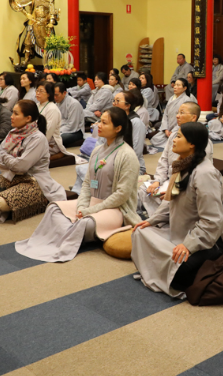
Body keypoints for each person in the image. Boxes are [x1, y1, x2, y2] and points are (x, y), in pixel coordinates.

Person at [132, 122, 223, 297]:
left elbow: (213, 220)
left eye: (178, 136)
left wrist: (188, 245)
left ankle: (165, 268)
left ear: (192, 143)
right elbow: (170, 202)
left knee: (179, 272)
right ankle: (161, 266)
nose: (173, 140)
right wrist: (152, 221)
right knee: (140, 232)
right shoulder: (181, 165)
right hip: (178, 231)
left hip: (204, 239)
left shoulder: (204, 173)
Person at [16, 107, 142, 262]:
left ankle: (67, 233)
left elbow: (122, 195)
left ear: (118, 128)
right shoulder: (97, 150)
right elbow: (88, 182)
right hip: (91, 203)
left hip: (115, 210)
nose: (98, 125)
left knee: (86, 222)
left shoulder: (127, 155)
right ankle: (65, 233)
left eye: (104, 123)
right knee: (54, 208)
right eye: (100, 121)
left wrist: (90, 211)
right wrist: (82, 206)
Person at [0, 100, 67, 223]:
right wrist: (11, 161)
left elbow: (20, 166)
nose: (11, 116)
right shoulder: (13, 133)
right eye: (12, 112)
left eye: (16, 114)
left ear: (28, 118)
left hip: (34, 181)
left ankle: (39, 200)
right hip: (12, 176)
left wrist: (7, 157)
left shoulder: (38, 138)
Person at [138, 101, 213, 217]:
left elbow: (196, 175)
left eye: (182, 113)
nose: (177, 116)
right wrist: (158, 181)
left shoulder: (202, 140)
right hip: (169, 180)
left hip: (186, 185)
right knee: (144, 189)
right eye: (177, 113)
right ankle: (156, 213)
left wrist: (173, 191)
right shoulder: (173, 136)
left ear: (193, 117)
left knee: (170, 200)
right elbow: (163, 160)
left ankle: (159, 216)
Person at [150, 78, 190, 148]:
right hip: (168, 128)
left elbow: (185, 119)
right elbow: (165, 115)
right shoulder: (171, 98)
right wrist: (166, 129)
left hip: (179, 128)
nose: (175, 87)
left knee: (176, 140)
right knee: (155, 139)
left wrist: (174, 130)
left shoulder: (186, 100)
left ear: (184, 88)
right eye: (175, 85)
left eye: (178, 85)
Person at [113, 90, 146, 174]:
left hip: (131, 164)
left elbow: (136, 151)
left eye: (117, 101)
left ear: (127, 105)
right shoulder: (114, 120)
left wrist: (117, 163)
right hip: (112, 160)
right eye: (114, 101)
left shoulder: (136, 122)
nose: (114, 104)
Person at [36, 82, 69, 159]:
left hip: (50, 143)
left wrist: (36, 145)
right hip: (37, 138)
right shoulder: (37, 105)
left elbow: (48, 131)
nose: (38, 93)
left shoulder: (52, 109)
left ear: (48, 94)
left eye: (41, 91)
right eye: (37, 90)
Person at [54, 82, 85, 148]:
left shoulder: (74, 104)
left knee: (57, 139)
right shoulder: (57, 103)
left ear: (64, 93)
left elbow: (72, 125)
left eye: (57, 95)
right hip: (62, 128)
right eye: (53, 95)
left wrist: (57, 131)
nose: (55, 97)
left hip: (75, 131)